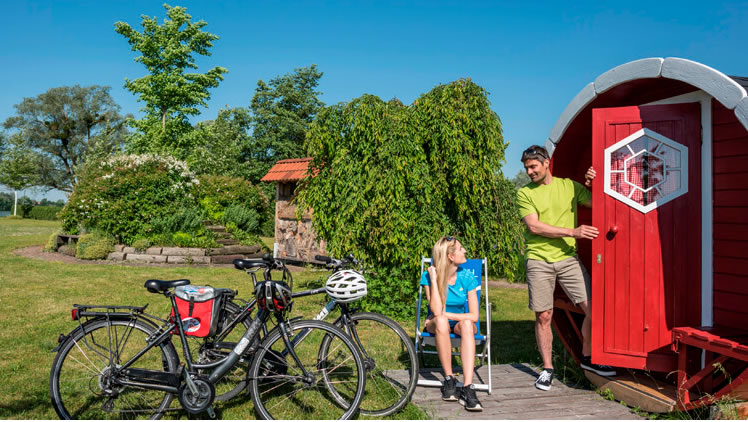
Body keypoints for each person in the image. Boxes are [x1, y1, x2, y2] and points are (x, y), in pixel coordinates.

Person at [516, 145, 616, 392]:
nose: (529, 172)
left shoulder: (570, 186)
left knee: (593, 309)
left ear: (547, 163)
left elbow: (598, 203)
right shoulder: (524, 193)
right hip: (538, 260)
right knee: (544, 315)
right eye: (526, 168)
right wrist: (574, 231)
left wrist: (596, 180)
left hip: (568, 259)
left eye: (533, 166)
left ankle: (588, 358)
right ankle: (548, 369)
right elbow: (535, 227)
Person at [421, 236, 483, 411]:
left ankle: (468, 387)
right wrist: (433, 280)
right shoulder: (429, 275)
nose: (465, 251)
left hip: (458, 322)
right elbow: (435, 310)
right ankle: (449, 379)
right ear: (450, 256)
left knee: (465, 324)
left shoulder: (468, 277)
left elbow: (474, 316)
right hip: (438, 324)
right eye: (461, 248)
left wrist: (447, 314)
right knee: (440, 321)